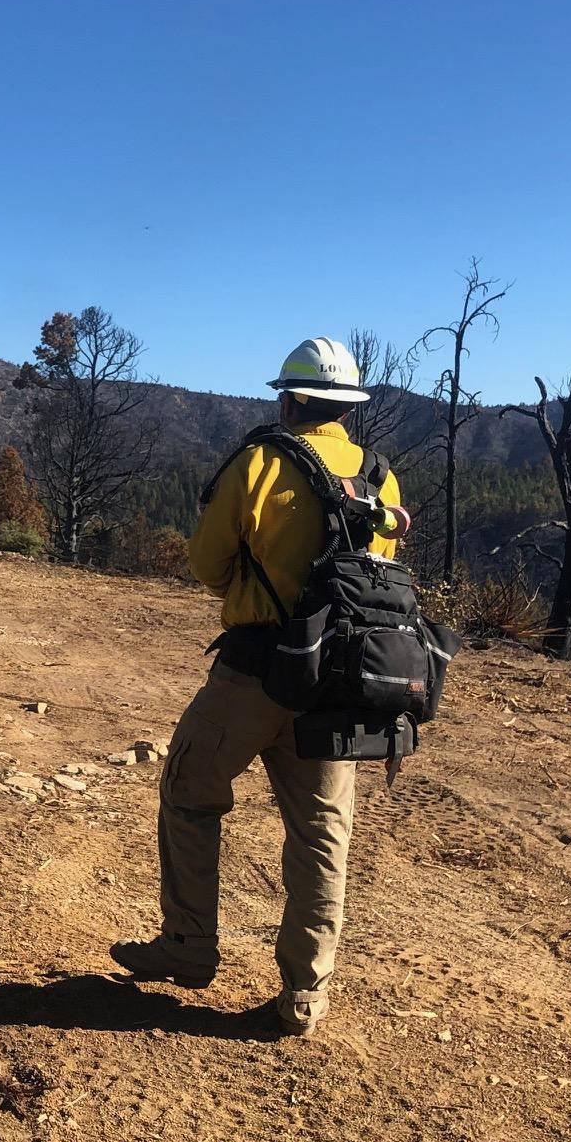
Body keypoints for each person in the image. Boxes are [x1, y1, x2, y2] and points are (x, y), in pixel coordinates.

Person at [110, 337, 405, 1036]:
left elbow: (208, 561)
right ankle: (305, 995)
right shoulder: (381, 477)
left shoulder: (261, 461)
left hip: (256, 668)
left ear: (292, 398)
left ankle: (187, 945)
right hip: (338, 678)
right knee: (322, 832)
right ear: (346, 405)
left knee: (189, 787)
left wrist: (252, 585)